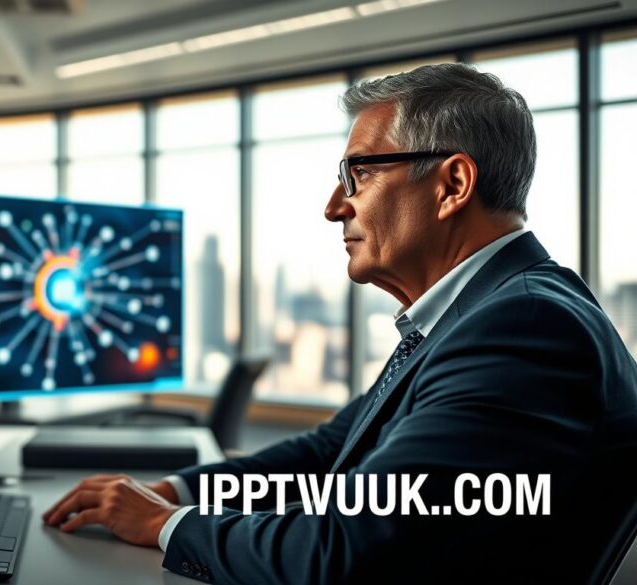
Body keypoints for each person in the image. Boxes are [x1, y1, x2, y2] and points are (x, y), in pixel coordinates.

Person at [42, 63, 637, 583]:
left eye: (360, 173)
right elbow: (330, 454)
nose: (334, 206)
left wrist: (166, 525)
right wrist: (180, 490)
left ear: (452, 184)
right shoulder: (477, 313)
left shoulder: (523, 326)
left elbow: (345, 554)